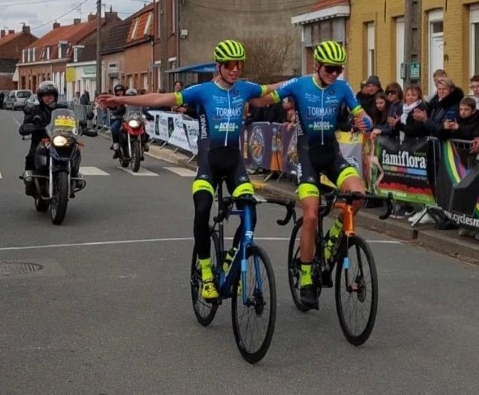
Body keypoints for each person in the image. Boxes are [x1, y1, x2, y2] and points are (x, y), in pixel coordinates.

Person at [97, 40, 280, 301]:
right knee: (202, 210)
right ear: (219, 66)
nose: (235, 69)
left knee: (250, 212)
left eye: (239, 64)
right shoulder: (203, 91)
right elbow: (161, 98)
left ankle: (231, 259)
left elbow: (274, 90)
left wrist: (310, 79)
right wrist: (120, 99)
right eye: (230, 65)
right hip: (208, 163)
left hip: (234, 163)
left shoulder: (245, 89)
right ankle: (206, 273)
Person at [253, 40, 372, 309]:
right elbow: (265, 99)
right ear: (317, 65)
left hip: (331, 154)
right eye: (329, 69)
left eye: (338, 69)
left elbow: (361, 112)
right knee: (310, 215)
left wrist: (366, 121)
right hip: (306, 156)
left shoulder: (342, 88)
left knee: (359, 196)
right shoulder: (299, 85)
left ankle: (333, 239)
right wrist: (242, 97)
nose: (334, 74)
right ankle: (306, 276)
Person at [19, 81, 70, 196]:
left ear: (55, 97)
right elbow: (25, 124)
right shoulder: (35, 110)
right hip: (40, 141)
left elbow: (73, 119)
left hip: (60, 140)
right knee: (32, 155)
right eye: (46, 96)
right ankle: (30, 182)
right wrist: (28, 126)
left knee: (74, 151)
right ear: (41, 97)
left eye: (51, 96)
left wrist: (81, 124)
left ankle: (74, 175)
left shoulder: (63, 109)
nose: (49, 99)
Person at [109, 84, 127, 158]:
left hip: (129, 119)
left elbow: (137, 106)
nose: (120, 92)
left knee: (144, 125)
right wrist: (112, 109)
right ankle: (116, 148)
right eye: (118, 91)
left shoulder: (128, 98)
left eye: (121, 91)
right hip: (120, 119)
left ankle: (144, 143)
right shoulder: (114, 99)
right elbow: (111, 106)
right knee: (114, 128)